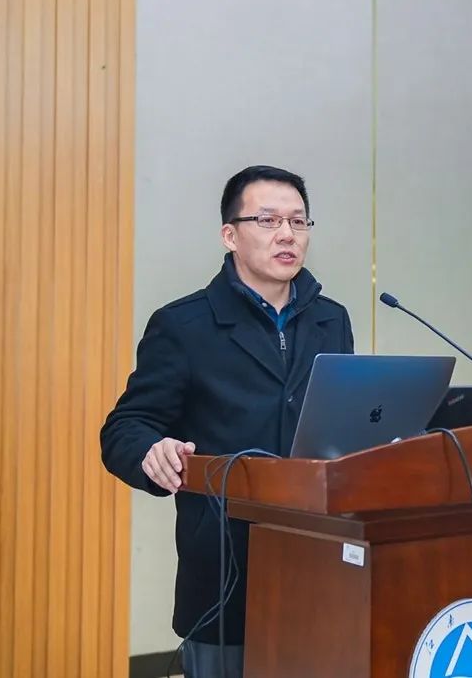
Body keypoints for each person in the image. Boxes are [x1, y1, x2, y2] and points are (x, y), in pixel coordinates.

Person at [101, 165, 354, 677]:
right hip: (225, 569)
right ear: (230, 235)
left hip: (321, 562)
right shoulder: (184, 325)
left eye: (298, 221)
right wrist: (152, 452)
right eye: (268, 220)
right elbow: (126, 427)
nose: (287, 234)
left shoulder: (332, 319)